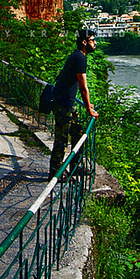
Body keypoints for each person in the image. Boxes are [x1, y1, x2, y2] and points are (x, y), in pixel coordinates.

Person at [49, 29, 99, 177]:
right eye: (92, 40)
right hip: (63, 104)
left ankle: (76, 166)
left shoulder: (78, 56)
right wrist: (90, 110)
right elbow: (83, 87)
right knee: (62, 139)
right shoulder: (79, 58)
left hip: (68, 103)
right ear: (84, 42)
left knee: (78, 133)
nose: (94, 43)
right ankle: (55, 172)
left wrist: (87, 104)